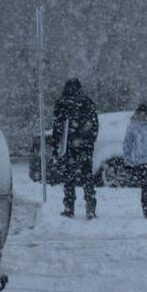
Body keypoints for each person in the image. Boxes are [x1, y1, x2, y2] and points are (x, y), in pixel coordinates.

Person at [50, 78, 99, 219]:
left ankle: (69, 208)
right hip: (84, 146)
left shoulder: (61, 103)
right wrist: (89, 142)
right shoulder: (87, 102)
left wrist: (56, 146)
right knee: (87, 177)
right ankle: (90, 207)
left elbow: (57, 127)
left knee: (69, 178)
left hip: (67, 146)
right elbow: (94, 125)